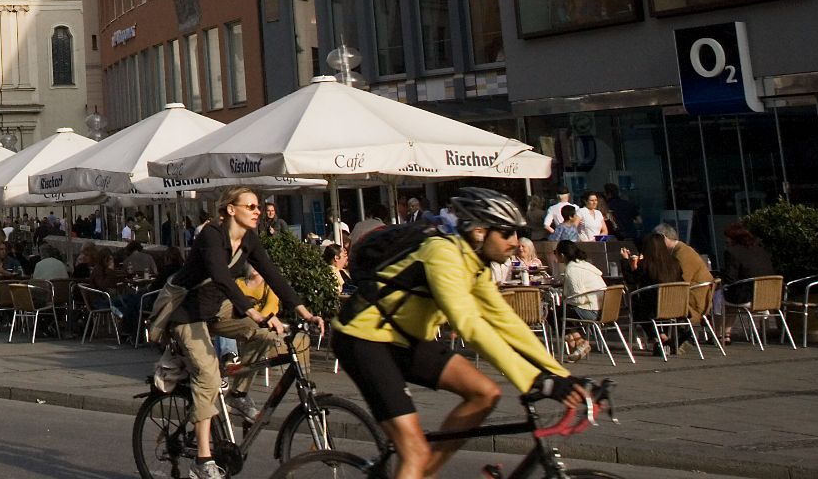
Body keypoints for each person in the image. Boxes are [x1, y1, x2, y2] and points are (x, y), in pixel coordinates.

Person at [333, 187, 586, 479]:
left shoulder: (474, 264)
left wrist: (561, 376)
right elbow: (468, 323)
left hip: (405, 337)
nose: (515, 242)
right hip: (364, 338)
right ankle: (415, 467)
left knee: (485, 393)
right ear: (479, 232)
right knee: (414, 451)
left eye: (518, 233)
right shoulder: (442, 253)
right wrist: (533, 380)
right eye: (506, 233)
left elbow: (505, 321)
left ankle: (420, 474)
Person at [164, 187, 320, 479]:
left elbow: (272, 273)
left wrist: (304, 312)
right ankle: (202, 460)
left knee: (269, 337)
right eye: (251, 206)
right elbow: (221, 276)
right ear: (231, 209)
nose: (257, 210)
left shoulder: (248, 239)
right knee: (209, 376)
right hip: (189, 313)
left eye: (258, 206)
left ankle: (238, 393)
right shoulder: (212, 234)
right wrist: (252, 311)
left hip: (217, 310)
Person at [553, 241, 605, 361]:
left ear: (562, 255)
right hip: (604, 308)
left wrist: (566, 299)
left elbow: (579, 298)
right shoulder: (585, 265)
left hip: (592, 310)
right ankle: (578, 343)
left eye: (556, 253)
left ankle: (578, 342)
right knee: (562, 312)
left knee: (554, 313)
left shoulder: (572, 270)